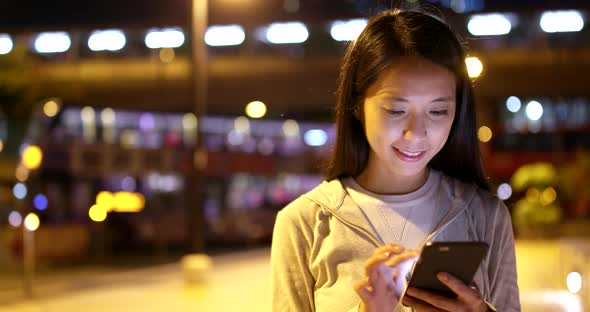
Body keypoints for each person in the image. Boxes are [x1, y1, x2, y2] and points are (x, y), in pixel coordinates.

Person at [270, 8, 520, 312]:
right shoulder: (305, 223)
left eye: (438, 111)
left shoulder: (485, 217)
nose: (416, 133)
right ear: (357, 106)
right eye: (395, 110)